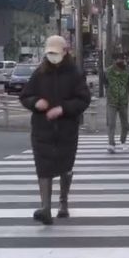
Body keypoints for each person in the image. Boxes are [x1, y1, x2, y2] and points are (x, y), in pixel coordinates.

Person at [19, 36, 91, 225]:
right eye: (50, 53)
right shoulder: (39, 73)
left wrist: (63, 109)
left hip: (66, 128)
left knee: (65, 167)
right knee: (43, 167)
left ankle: (63, 202)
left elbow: (84, 99)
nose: (53, 57)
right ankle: (45, 208)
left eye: (56, 53)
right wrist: (35, 102)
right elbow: (25, 95)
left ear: (65, 52)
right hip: (42, 128)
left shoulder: (75, 73)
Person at [104, 53, 129, 154]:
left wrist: (126, 92)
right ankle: (111, 144)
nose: (122, 61)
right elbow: (105, 83)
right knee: (111, 123)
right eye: (119, 59)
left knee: (125, 124)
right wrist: (110, 92)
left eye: (123, 59)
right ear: (114, 61)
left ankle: (123, 141)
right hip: (112, 101)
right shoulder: (108, 71)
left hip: (123, 101)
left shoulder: (128, 70)